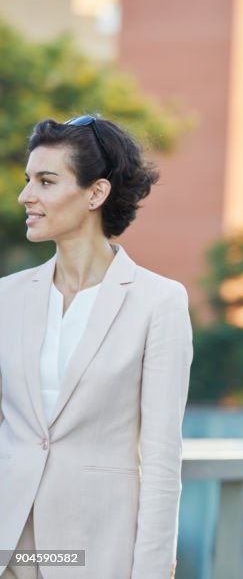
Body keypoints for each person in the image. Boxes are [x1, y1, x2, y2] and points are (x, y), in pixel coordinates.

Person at [0, 115, 193, 579]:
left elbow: (162, 459)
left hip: (95, 551)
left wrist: (151, 570)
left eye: (46, 181)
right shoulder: (6, 297)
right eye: (29, 181)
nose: (27, 196)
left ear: (95, 193)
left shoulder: (158, 302)